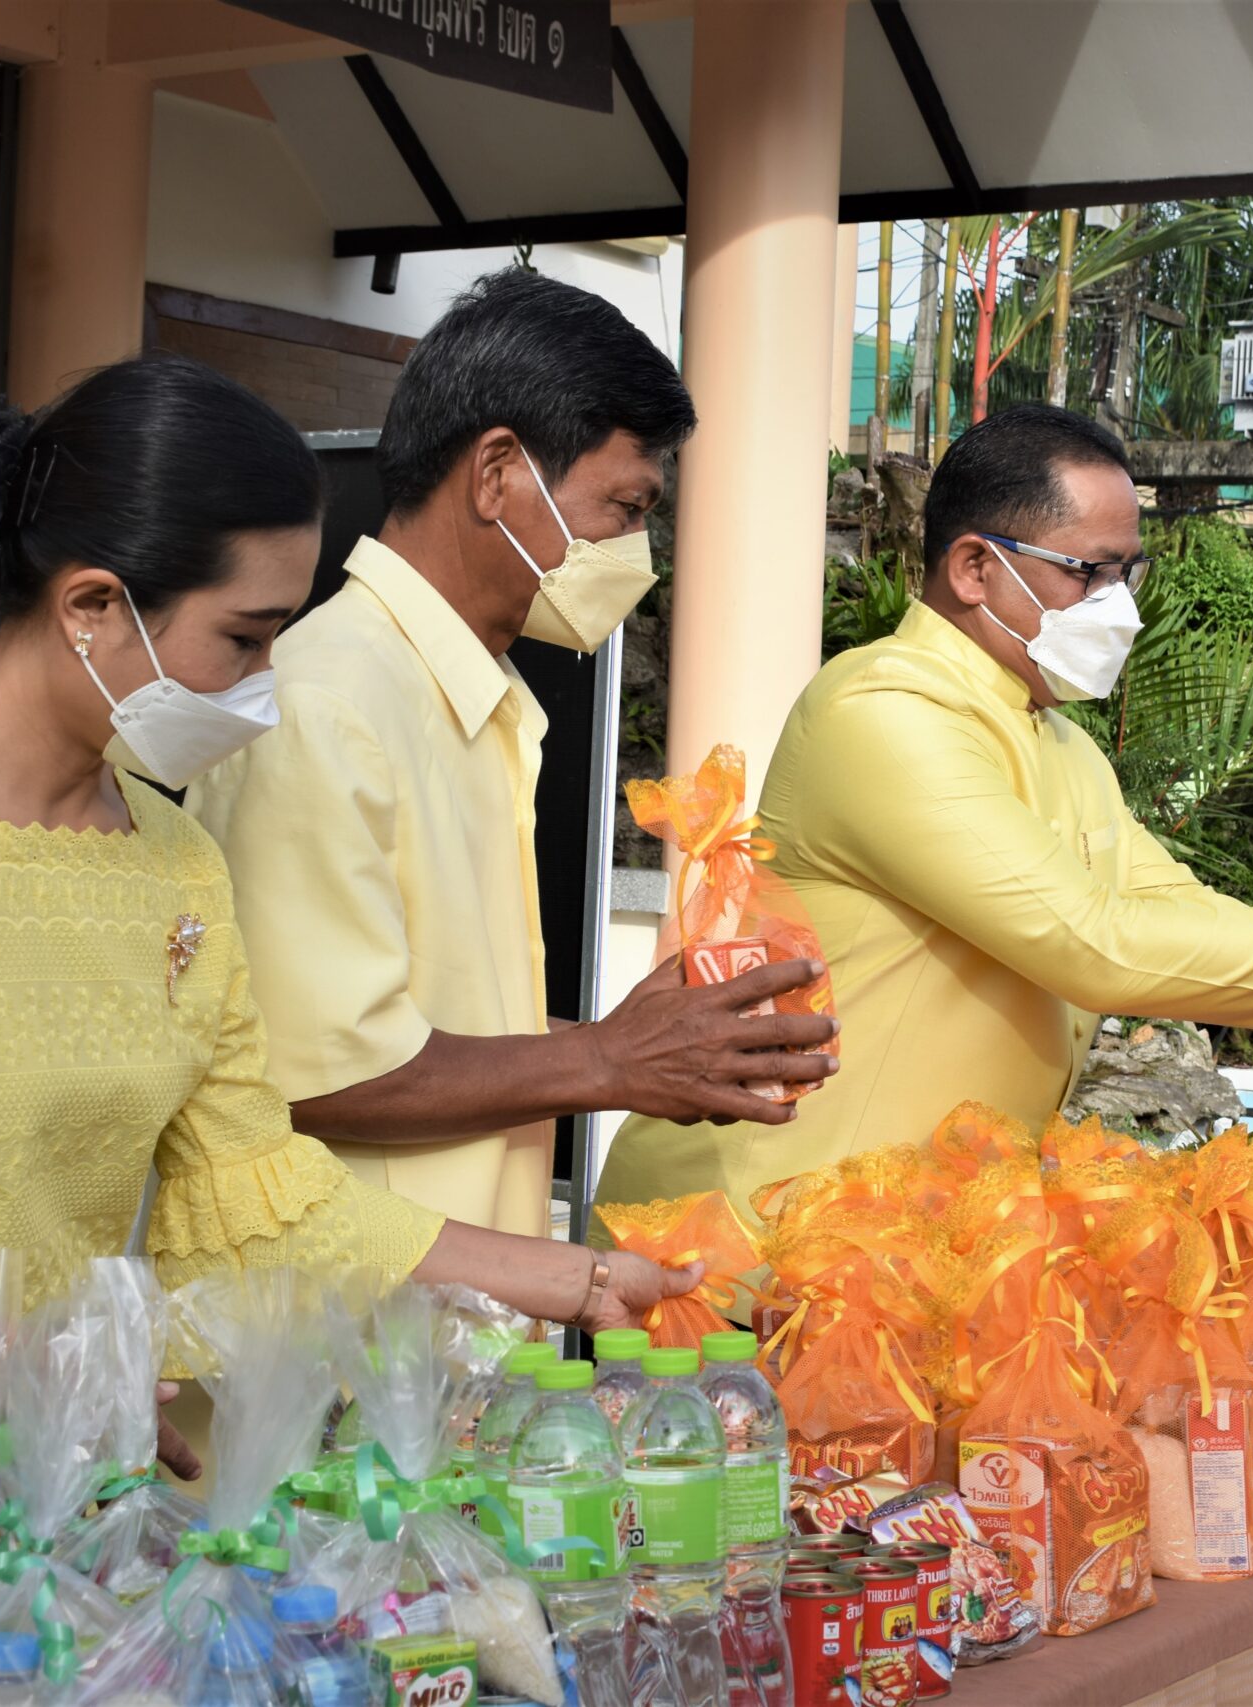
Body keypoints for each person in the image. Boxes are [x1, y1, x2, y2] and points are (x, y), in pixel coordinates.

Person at [0, 357, 699, 1362]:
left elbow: (252, 1195)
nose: (268, 681)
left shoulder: (173, 860)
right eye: (243, 639)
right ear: (92, 608)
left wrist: (580, 1281)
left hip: (50, 1447)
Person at [593, 403, 1253, 1215]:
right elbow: (1093, 944)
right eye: (1091, 572)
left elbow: (1179, 921)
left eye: (1129, 573)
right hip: (749, 1234)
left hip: (908, 1243)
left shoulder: (1064, 748)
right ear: (974, 569)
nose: (1120, 605)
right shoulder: (879, 710)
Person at [186, 269, 837, 1240]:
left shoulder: (467, 697)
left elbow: (433, 1031)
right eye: (624, 507)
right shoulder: (327, 705)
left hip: (461, 1307)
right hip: (338, 1323)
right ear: (496, 474)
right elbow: (309, 1070)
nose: (634, 549)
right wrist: (609, 1060)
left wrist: (652, 1045)